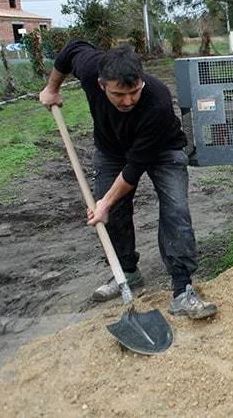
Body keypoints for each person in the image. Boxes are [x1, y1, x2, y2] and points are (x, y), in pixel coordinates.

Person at [39, 40, 217, 320]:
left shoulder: (156, 100)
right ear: (100, 85)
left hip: (162, 149)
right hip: (111, 150)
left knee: (175, 210)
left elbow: (133, 171)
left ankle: (182, 290)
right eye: (119, 94)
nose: (128, 101)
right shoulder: (88, 68)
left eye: (134, 92)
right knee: (114, 214)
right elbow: (71, 49)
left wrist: (104, 203)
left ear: (142, 81)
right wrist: (52, 88)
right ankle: (127, 272)